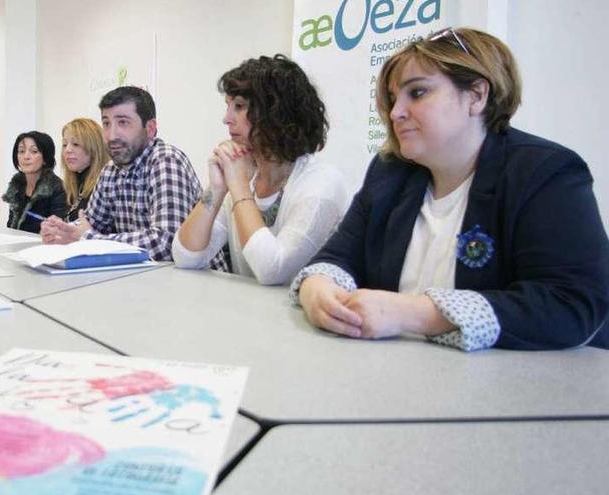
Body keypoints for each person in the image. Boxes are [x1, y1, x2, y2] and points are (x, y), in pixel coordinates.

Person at [292, 27, 609, 351]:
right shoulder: (389, 172)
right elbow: (336, 258)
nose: (396, 112)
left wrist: (418, 314)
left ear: (476, 95)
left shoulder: (544, 173)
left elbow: (572, 303)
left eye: (416, 93)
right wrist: (317, 287)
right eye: (392, 98)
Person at [172, 55, 347, 285]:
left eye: (239, 107)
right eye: (228, 106)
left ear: (276, 113)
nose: (226, 119)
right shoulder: (245, 176)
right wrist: (216, 188)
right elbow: (186, 257)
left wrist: (238, 185)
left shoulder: (322, 182)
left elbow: (272, 271)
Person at [39, 87, 202, 261]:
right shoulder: (111, 170)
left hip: (197, 282)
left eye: (123, 122)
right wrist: (60, 230)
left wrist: (88, 238)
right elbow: (90, 223)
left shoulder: (166, 161)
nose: (111, 135)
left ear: (150, 128)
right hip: (144, 278)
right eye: (106, 123)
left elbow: (166, 243)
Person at [2, 131, 67, 233]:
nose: (26, 157)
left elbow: (58, 230)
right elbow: (11, 227)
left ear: (45, 158)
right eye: (21, 151)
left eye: (34, 151)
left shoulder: (58, 188)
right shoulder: (17, 186)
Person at [59, 118, 111, 222]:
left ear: (94, 149)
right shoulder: (73, 185)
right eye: (65, 145)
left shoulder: (105, 185)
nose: (67, 150)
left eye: (76, 144)